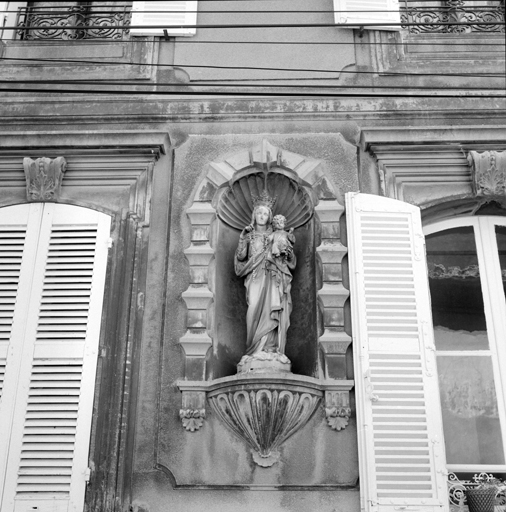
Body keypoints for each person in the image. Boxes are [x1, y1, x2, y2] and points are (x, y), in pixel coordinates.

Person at [234, 199, 296, 368]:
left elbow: (289, 260)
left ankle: (271, 348)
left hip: (273, 276)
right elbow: (241, 258)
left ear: (270, 217)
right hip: (255, 276)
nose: (262, 216)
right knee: (254, 307)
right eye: (259, 212)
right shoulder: (249, 235)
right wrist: (242, 238)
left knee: (273, 308)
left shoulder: (277, 234)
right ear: (254, 215)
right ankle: (254, 349)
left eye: (265, 213)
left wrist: (287, 253)